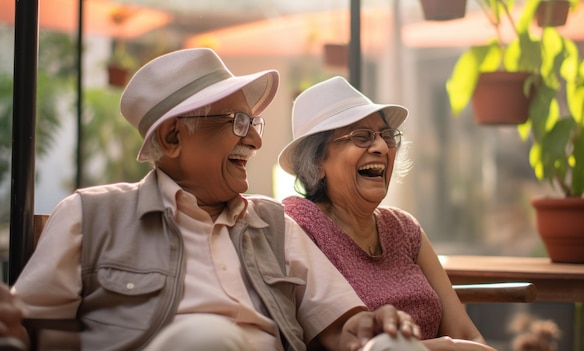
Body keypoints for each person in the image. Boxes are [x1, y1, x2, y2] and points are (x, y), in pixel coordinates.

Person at [0, 49, 423, 351]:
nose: (256, 139)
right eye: (239, 122)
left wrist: (371, 325)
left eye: (253, 122)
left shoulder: (275, 223)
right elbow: (28, 329)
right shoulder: (90, 215)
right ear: (172, 137)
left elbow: (342, 330)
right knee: (208, 338)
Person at [277, 76, 497, 351]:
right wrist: (446, 347)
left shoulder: (404, 228)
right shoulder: (297, 223)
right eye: (361, 136)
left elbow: (469, 335)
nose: (381, 147)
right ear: (317, 161)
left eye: (386, 135)